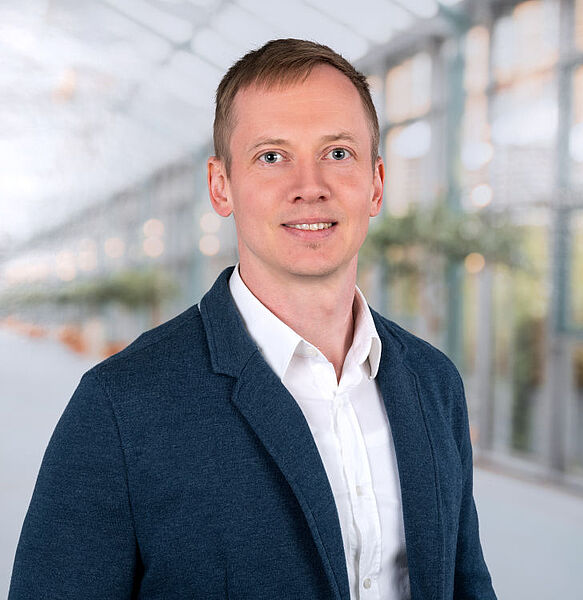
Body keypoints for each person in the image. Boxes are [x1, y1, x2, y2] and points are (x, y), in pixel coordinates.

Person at [9, 39, 496, 600]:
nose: (309, 187)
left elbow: (466, 583)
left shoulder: (434, 383)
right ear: (221, 186)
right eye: (272, 157)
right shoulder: (121, 405)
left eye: (338, 153)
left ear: (377, 184)